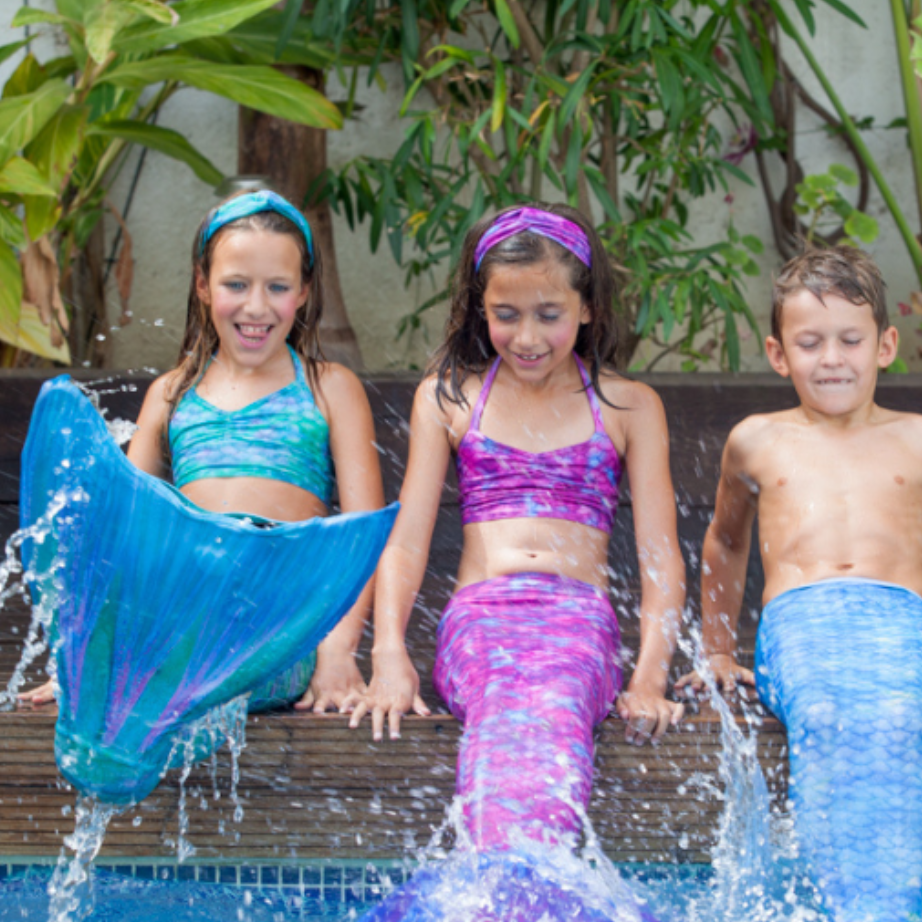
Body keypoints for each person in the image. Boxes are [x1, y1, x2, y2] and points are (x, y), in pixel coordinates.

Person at [351, 202, 685, 871]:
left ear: (586, 308)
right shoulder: (449, 399)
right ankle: (518, 885)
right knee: (507, 700)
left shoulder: (628, 406)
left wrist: (650, 675)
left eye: (548, 314)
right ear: (481, 310)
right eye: (506, 315)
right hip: (479, 620)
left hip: (578, 622)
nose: (527, 335)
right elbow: (409, 540)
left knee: (554, 700)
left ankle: (513, 886)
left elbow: (660, 558)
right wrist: (389, 651)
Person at [20, 190, 385, 715]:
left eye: (277, 287)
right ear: (202, 284)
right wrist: (81, 658)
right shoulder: (172, 393)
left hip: (282, 622)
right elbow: (123, 533)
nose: (256, 306)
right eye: (236, 284)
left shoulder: (329, 388)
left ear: (303, 292)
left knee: (182, 669)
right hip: (185, 606)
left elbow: (362, 537)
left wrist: (337, 650)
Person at [677, 246, 922, 922]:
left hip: (903, 622)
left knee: (905, 712)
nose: (833, 358)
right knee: (830, 708)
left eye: (851, 339)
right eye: (810, 343)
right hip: (803, 625)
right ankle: (859, 904)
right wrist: (719, 651)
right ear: (779, 353)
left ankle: (894, 898)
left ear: (886, 345)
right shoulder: (758, 440)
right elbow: (725, 541)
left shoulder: (917, 440)